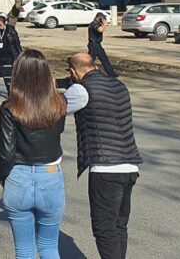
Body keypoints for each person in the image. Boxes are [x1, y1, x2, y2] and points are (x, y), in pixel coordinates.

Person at [0, 50, 73, 259]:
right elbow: (57, 133)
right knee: (49, 246)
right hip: (50, 174)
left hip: (18, 176)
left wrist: (1, 176)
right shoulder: (59, 104)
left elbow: (6, 153)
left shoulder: (10, 107)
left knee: (25, 250)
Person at [65, 53, 142, 259]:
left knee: (104, 229)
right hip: (130, 166)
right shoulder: (119, 86)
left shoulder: (80, 89)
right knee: (119, 226)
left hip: (105, 168)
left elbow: (53, 110)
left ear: (73, 72)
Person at [0, 14, 22, 92]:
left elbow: (17, 43)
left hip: (9, 56)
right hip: (0, 56)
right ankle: (8, 90)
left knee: (9, 74)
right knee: (4, 74)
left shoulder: (11, 31)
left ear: (1, 21)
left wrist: (20, 54)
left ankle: (12, 90)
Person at [88, 13, 116, 77]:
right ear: (99, 17)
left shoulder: (97, 23)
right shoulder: (94, 23)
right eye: (102, 18)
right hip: (93, 44)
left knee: (104, 59)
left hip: (97, 44)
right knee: (90, 60)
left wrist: (104, 24)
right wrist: (104, 24)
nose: (103, 19)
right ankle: (84, 72)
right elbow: (100, 30)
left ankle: (112, 74)